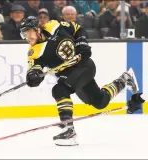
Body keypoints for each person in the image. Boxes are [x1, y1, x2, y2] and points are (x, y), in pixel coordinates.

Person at [19, 16, 143, 146]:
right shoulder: (34, 52)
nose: (27, 37)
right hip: (70, 75)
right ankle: (124, 80)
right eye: (23, 35)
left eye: (28, 32)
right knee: (100, 101)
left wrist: (81, 42)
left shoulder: (54, 26)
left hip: (84, 66)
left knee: (59, 89)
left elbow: (78, 29)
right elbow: (34, 69)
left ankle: (69, 130)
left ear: (37, 29)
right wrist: (33, 76)